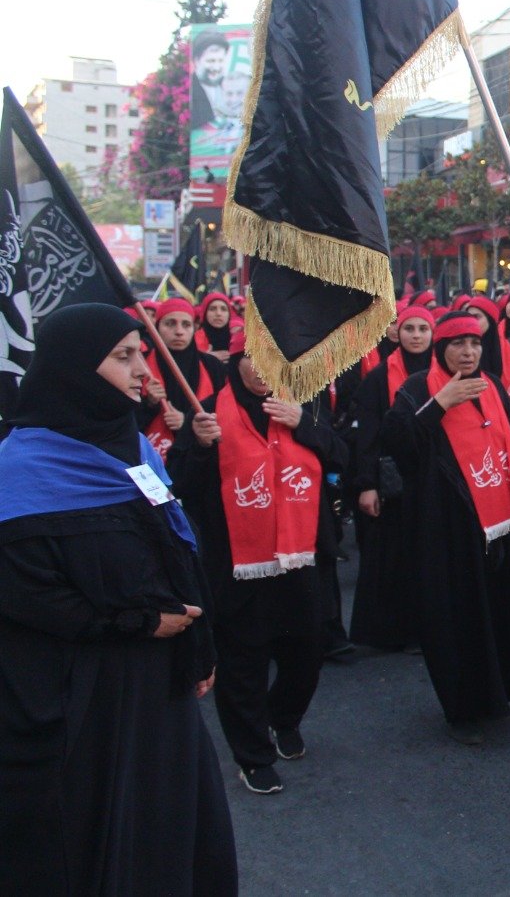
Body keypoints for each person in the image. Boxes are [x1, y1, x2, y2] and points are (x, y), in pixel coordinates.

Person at [0, 303, 237, 892]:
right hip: (81, 702)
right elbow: (24, 592)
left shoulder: (134, 449)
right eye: (123, 356)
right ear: (75, 368)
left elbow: (173, 546)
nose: (142, 371)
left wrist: (197, 646)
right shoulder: (17, 471)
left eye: (141, 354)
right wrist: (133, 622)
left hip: (159, 691)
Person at [169, 332, 346, 795]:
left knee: (306, 654)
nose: (265, 371)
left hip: (302, 557)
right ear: (236, 362)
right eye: (255, 360)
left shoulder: (301, 402)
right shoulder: (205, 410)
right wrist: (199, 446)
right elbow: (179, 486)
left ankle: (283, 717)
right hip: (238, 564)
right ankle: (252, 754)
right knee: (244, 661)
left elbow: (342, 455)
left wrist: (305, 425)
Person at [381, 312, 510, 745]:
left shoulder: (492, 385)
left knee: (500, 607)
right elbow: (399, 446)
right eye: (457, 344)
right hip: (445, 524)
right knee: (457, 613)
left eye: (474, 344)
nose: (468, 352)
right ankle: (465, 706)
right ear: (440, 349)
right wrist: (440, 403)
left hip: (498, 518)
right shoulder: (417, 389)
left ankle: (500, 692)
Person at [348, 306, 434, 651]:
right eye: (409, 328)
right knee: (395, 558)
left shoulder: (444, 374)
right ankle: (396, 632)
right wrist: (367, 483)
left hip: (432, 477)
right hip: (394, 481)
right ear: (397, 333)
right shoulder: (379, 377)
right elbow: (366, 438)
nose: (416, 335)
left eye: (423, 329)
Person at [139, 297, 226, 461]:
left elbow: (226, 417)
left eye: (186, 325)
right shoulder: (140, 365)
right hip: (151, 462)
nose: (179, 331)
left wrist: (187, 423)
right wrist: (149, 404)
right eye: (170, 323)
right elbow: (124, 423)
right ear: (157, 327)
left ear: (195, 328)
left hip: (198, 464)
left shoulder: (213, 367)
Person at [198, 291, 235, 359]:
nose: (218, 313)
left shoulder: (238, 339)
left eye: (223, 309)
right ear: (205, 313)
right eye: (212, 309)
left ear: (229, 314)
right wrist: (205, 358)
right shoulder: (194, 340)